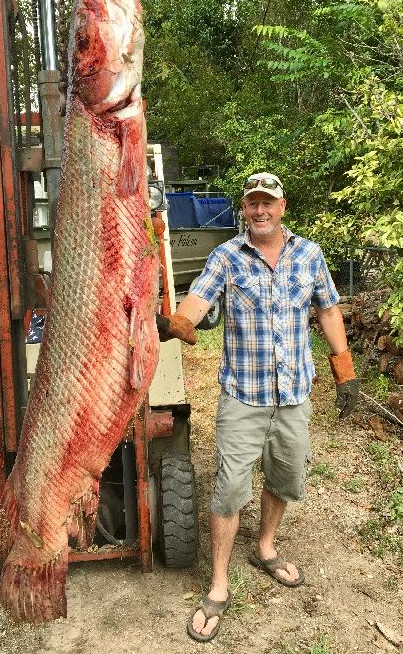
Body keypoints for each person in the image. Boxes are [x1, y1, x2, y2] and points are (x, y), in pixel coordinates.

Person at [158, 171, 359, 643]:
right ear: (244, 209)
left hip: (294, 397)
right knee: (229, 490)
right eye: (252, 203)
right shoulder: (227, 256)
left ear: (282, 206)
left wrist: (344, 368)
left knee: (287, 479)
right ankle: (219, 585)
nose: (260, 210)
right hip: (242, 397)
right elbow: (202, 295)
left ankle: (265, 547)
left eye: (268, 202)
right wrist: (183, 320)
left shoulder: (309, 254)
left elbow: (328, 309)